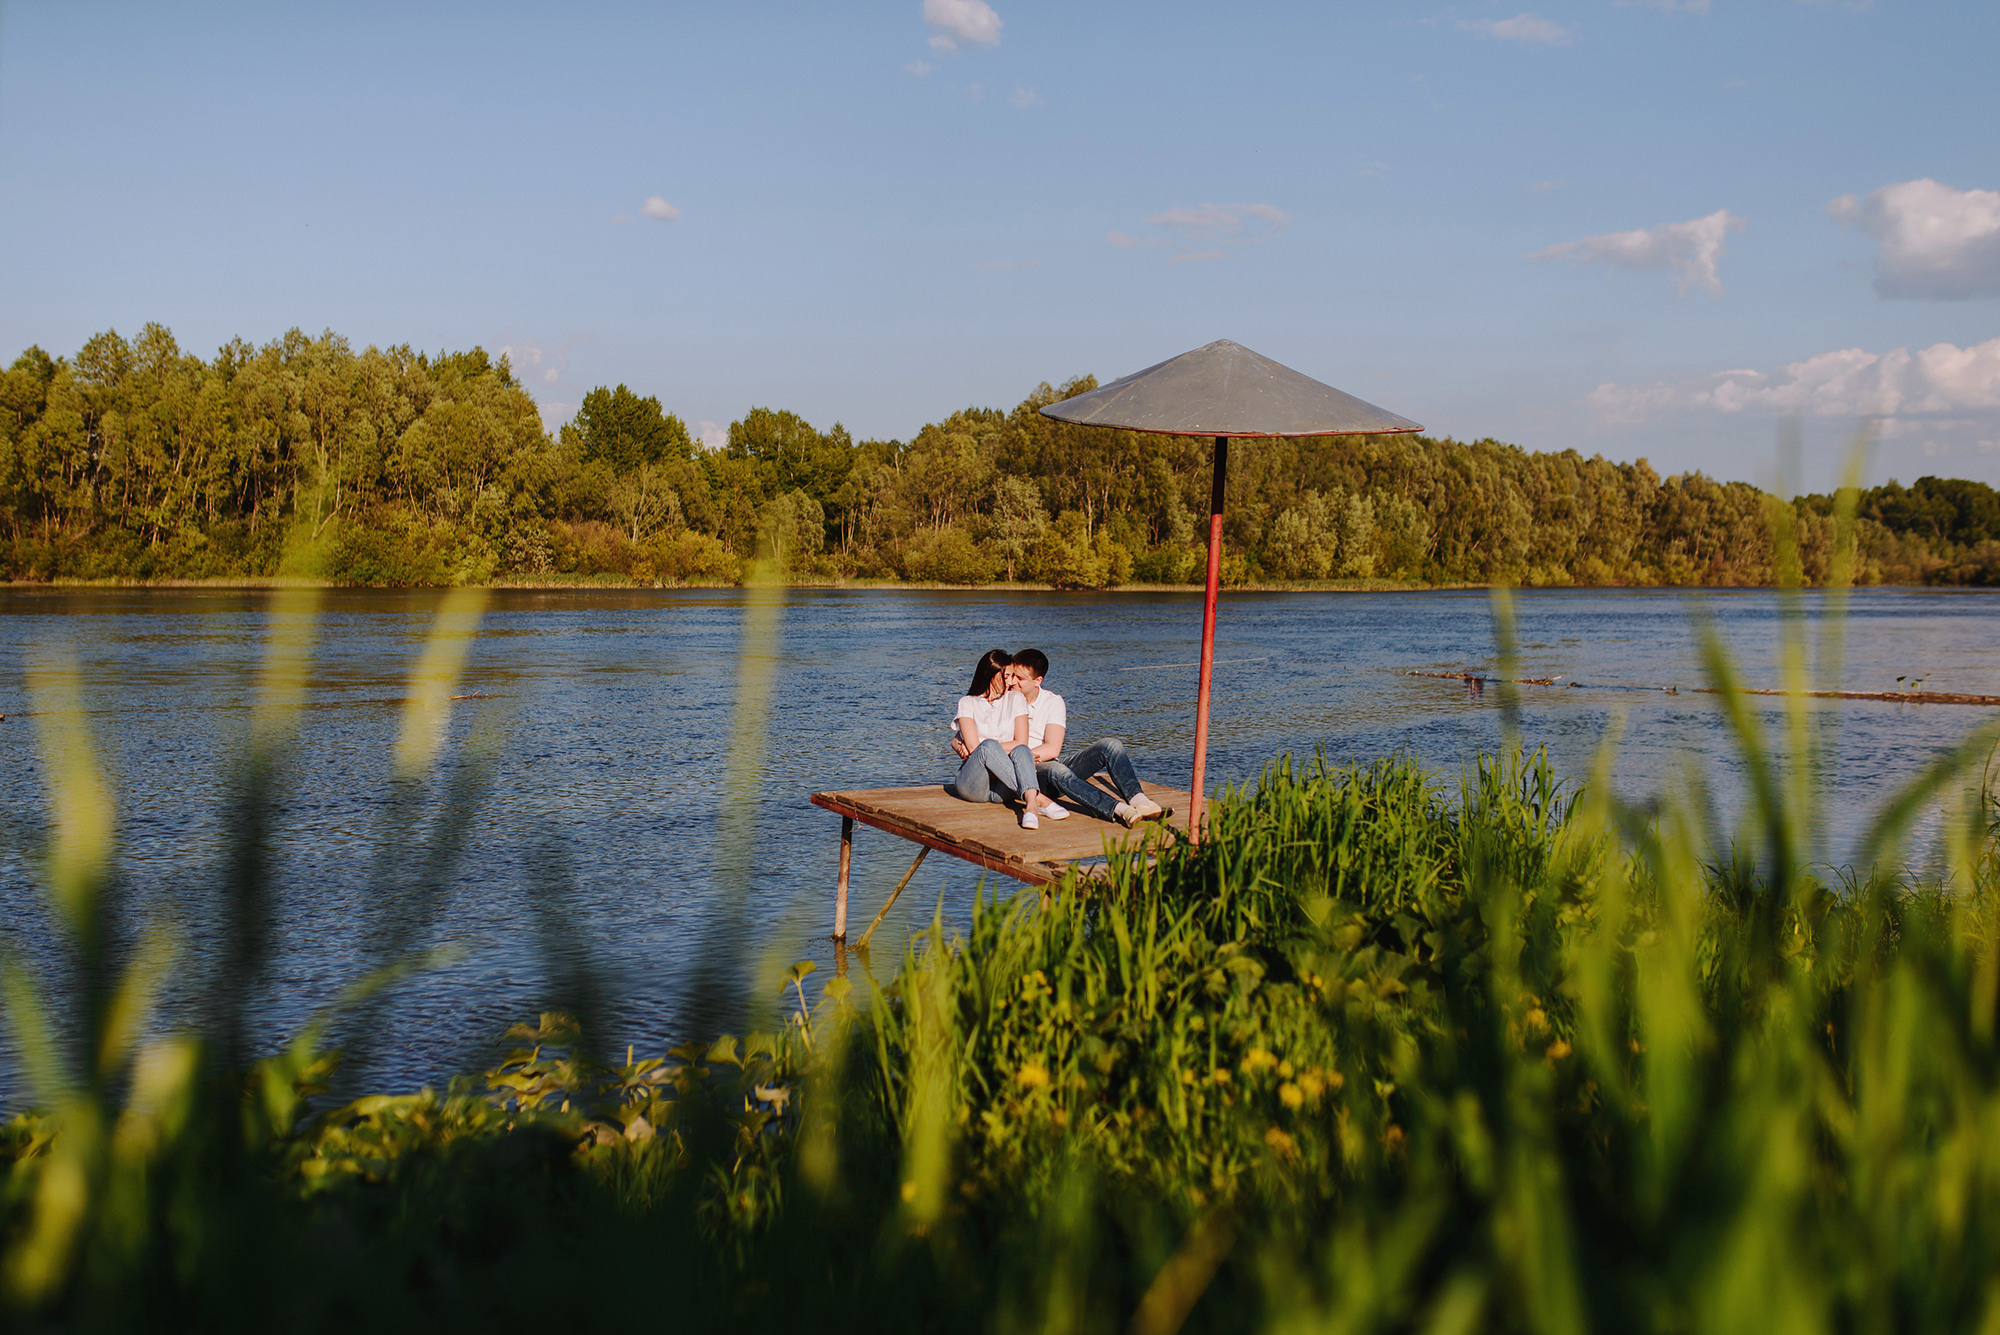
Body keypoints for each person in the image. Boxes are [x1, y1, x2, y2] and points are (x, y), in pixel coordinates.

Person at [1003, 648, 1167, 827]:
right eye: (1011, 676)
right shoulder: (1004, 699)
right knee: (1057, 770)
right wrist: (1023, 758)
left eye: (1019, 678)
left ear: (1037, 681)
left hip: (1045, 764)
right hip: (1024, 773)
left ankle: (1139, 801)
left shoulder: (1052, 701)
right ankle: (1118, 809)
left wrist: (1026, 753)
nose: (1012, 682)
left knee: (1110, 745)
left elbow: (1052, 748)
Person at [947, 648, 1060, 830]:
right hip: (973, 785)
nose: (1010, 682)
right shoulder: (967, 703)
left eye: (1012, 676)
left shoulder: (1015, 699)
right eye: (1006, 676)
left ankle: (1030, 807)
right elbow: (976, 748)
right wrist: (989, 749)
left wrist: (991, 751)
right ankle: (1037, 799)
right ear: (991, 675)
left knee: (1021, 750)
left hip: (1003, 787)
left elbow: (1021, 742)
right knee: (988, 746)